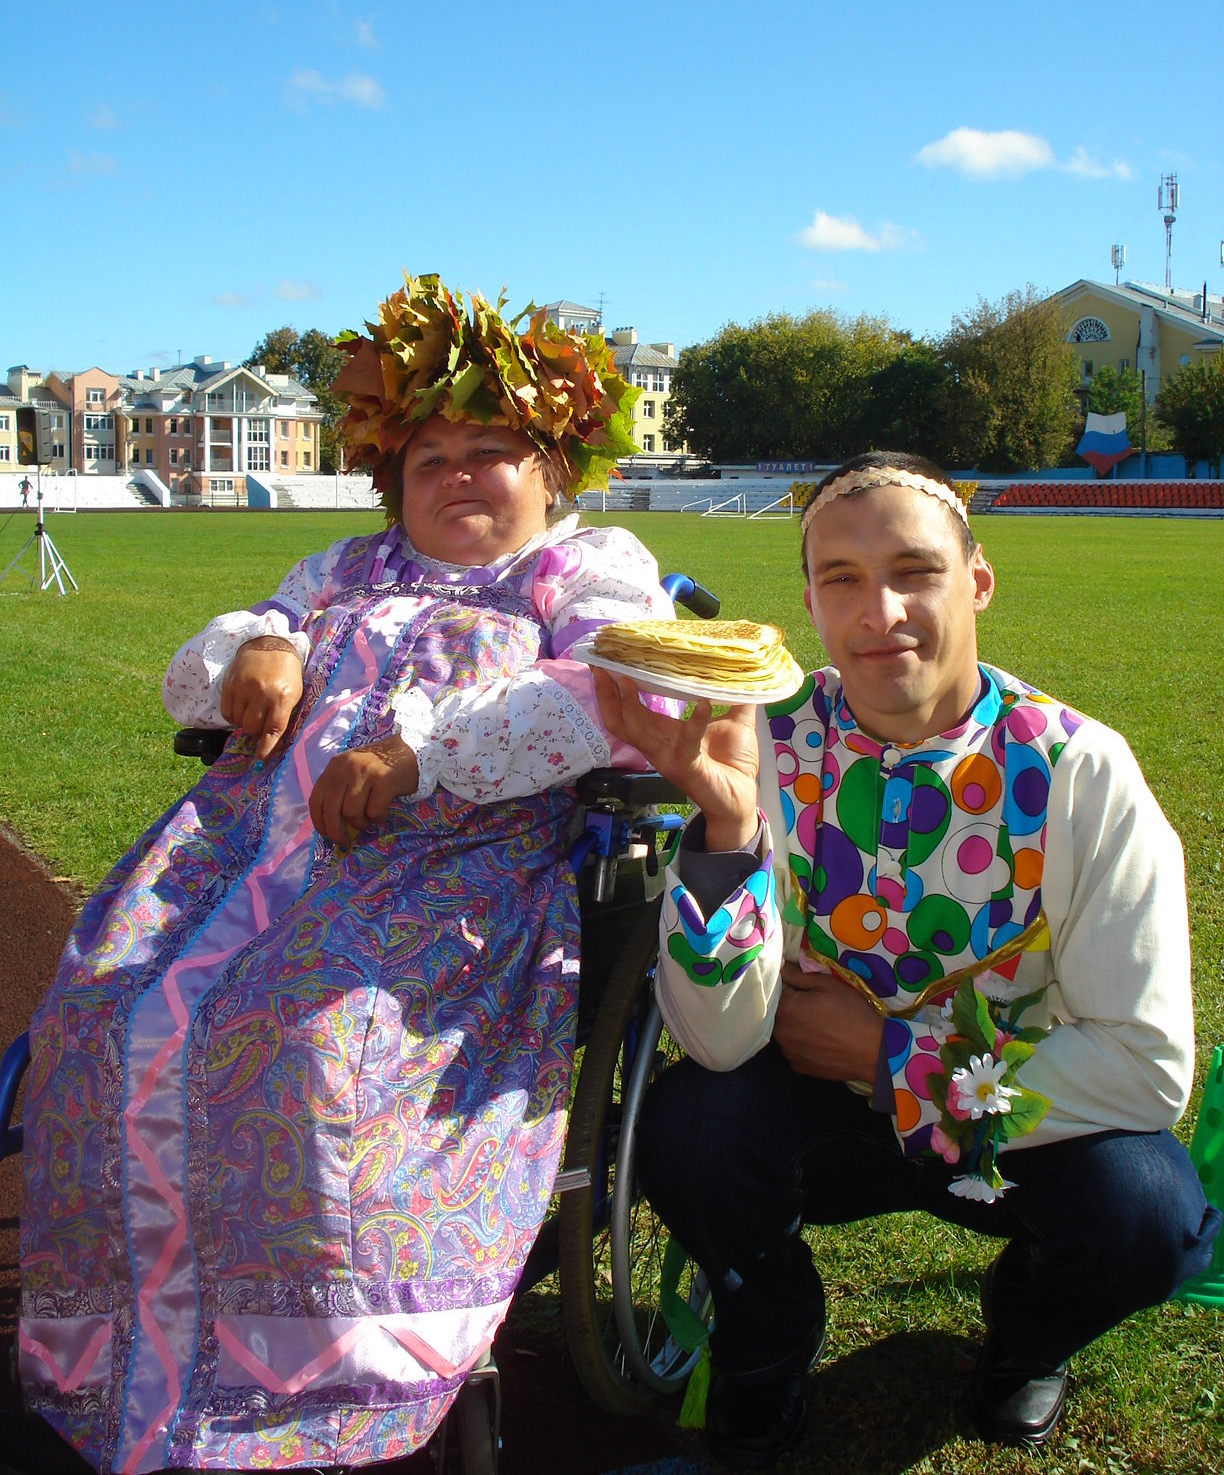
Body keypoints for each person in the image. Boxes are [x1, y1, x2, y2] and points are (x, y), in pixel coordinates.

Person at [17, 275, 675, 1473]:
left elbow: (608, 694)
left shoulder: (583, 572)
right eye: (431, 460)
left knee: (306, 1040)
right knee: (99, 1009)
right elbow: (207, 664)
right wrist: (259, 646)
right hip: (242, 857)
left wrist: (421, 753)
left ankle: (297, 1375)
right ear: (394, 479)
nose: (460, 476)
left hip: (448, 876)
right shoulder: (341, 569)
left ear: (551, 471)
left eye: (491, 453)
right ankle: (132, 1349)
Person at [592, 450, 1221, 1466]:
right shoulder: (762, 741)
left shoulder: (1080, 770)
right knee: (688, 1127)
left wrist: (889, 1057)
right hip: (815, 1118)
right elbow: (717, 1043)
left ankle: (1025, 1339)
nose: (879, 612)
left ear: (978, 580)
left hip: (1018, 1133)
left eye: (915, 572)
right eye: (841, 578)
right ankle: (767, 1341)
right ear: (809, 601)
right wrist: (727, 825)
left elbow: (1145, 1069)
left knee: (1147, 1216)